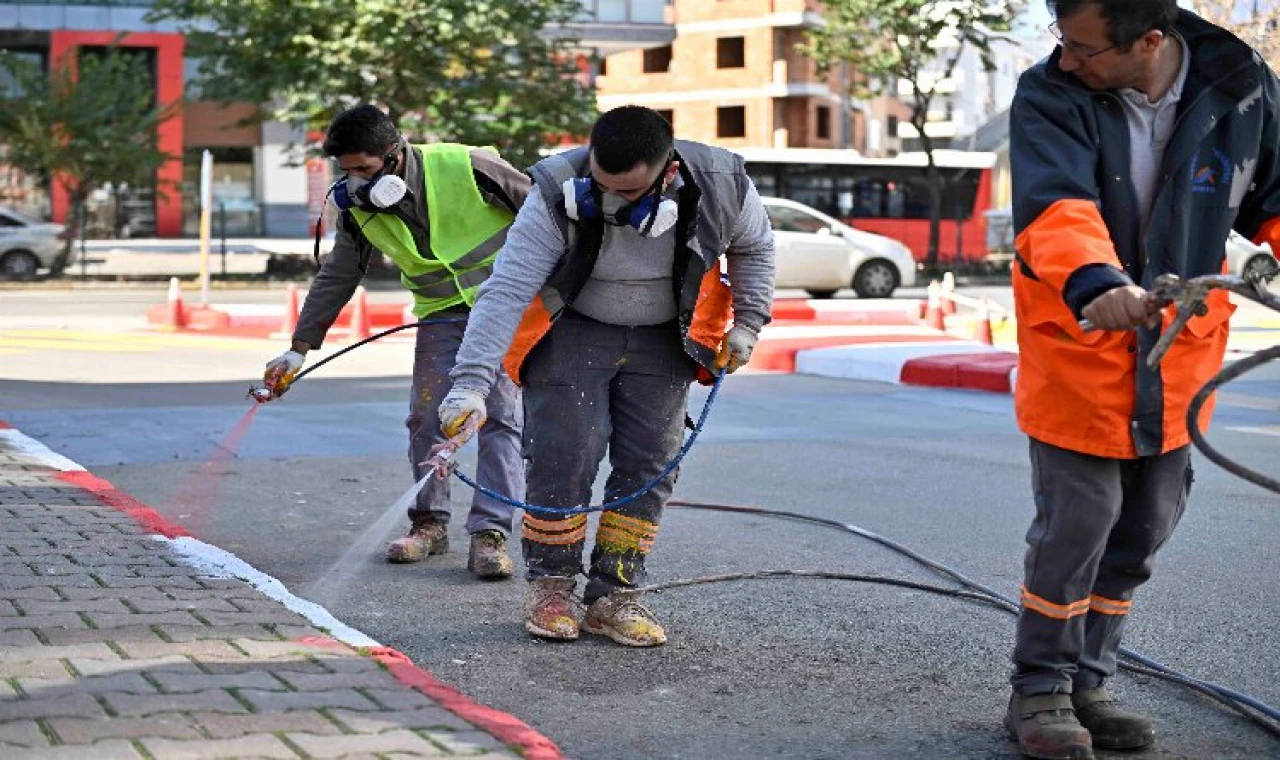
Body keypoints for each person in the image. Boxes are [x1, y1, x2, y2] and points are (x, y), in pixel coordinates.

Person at [1006, 2, 1280, 757]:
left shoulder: (1241, 86)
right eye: (1061, 42)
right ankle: (1040, 690)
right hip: (1083, 343)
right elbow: (1055, 206)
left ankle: (1090, 683)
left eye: (1084, 48)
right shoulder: (1049, 94)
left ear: (1150, 41)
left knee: (1141, 534)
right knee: (1078, 530)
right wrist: (1095, 280)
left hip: (1178, 356)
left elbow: (1275, 199)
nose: (1066, 60)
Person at [436, 106, 775, 647]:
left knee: (649, 464)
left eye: (629, 193)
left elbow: (755, 247)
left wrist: (749, 323)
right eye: (601, 185)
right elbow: (505, 289)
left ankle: (614, 597)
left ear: (667, 173)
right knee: (563, 453)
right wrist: (471, 383)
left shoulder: (722, 184)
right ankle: (552, 587)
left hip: (665, 336)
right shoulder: (556, 188)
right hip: (573, 330)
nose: (611, 202)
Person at [260, 105, 532, 580]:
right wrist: (298, 347)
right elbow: (339, 275)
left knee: (499, 417)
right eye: (346, 172)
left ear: (395, 154)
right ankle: (429, 524)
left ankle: (490, 534)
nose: (356, 183)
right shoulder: (358, 209)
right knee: (427, 415)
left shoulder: (468, 166)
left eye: (364, 170)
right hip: (440, 315)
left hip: (507, 308)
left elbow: (547, 222)